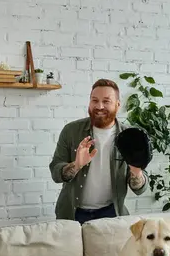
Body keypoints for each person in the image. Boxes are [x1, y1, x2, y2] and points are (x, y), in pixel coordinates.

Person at [49, 78, 148, 224]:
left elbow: (140, 189)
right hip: (72, 213)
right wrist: (76, 165)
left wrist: (136, 171)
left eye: (106, 101)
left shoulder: (130, 137)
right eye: (94, 100)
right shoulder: (71, 131)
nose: (99, 106)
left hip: (112, 214)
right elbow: (55, 173)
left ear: (117, 104)